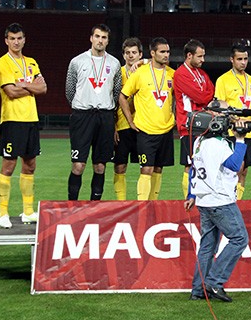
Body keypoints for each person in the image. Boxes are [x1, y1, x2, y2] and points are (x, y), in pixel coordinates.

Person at [187, 105, 249, 303]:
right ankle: (214, 282)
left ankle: (198, 289)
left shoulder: (198, 141)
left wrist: (191, 193)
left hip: (203, 199)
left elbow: (193, 168)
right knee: (239, 238)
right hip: (220, 200)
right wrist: (240, 140)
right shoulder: (217, 144)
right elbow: (234, 166)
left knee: (207, 246)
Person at [0, 23, 47, 228]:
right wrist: (32, 86)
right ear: (6, 41)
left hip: (31, 119)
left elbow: (43, 88)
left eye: (19, 38)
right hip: (12, 120)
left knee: (30, 165)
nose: (16, 42)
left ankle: (28, 212)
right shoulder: (2, 63)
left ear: (24, 40)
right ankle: (3, 213)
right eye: (12, 38)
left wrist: (23, 84)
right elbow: (11, 92)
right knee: (8, 165)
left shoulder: (31, 62)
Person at [66, 24, 121, 200]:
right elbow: (70, 91)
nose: (100, 40)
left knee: (100, 166)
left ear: (108, 41)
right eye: (97, 36)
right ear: (91, 38)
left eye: (104, 37)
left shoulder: (114, 63)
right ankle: (72, 206)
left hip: (105, 117)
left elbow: (116, 92)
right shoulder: (77, 61)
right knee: (78, 166)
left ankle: (94, 207)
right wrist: (82, 105)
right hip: (82, 116)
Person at [119, 37, 175, 200]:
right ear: (153, 53)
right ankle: (142, 206)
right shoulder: (140, 73)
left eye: (168, 51)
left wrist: (175, 117)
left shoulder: (172, 74)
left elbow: (178, 97)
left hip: (166, 129)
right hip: (145, 130)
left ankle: (153, 205)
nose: (166, 55)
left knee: (158, 169)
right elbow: (122, 96)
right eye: (162, 51)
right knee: (146, 169)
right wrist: (130, 121)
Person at [214, 45, 251, 200]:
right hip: (231, 132)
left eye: (245, 59)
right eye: (239, 59)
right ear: (231, 60)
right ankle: (229, 199)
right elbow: (220, 106)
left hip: (249, 131)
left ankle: (238, 201)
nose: (243, 62)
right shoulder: (223, 80)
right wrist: (235, 120)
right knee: (235, 168)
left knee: (244, 169)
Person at [174, 39, 215, 198]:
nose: (203, 60)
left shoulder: (202, 74)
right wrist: (205, 96)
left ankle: (202, 198)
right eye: (200, 56)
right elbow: (201, 97)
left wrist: (205, 96)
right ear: (189, 55)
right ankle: (188, 199)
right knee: (190, 164)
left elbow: (211, 91)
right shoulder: (180, 74)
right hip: (189, 125)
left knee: (203, 163)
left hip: (204, 124)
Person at [113, 37, 144, 200]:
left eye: (134, 52)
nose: (131, 56)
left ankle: (144, 203)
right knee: (120, 166)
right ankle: (121, 203)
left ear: (140, 54)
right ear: (123, 55)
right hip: (122, 125)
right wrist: (113, 127)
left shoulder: (146, 71)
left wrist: (144, 62)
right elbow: (111, 100)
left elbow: (162, 61)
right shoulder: (117, 73)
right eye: (127, 53)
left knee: (146, 167)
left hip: (143, 125)